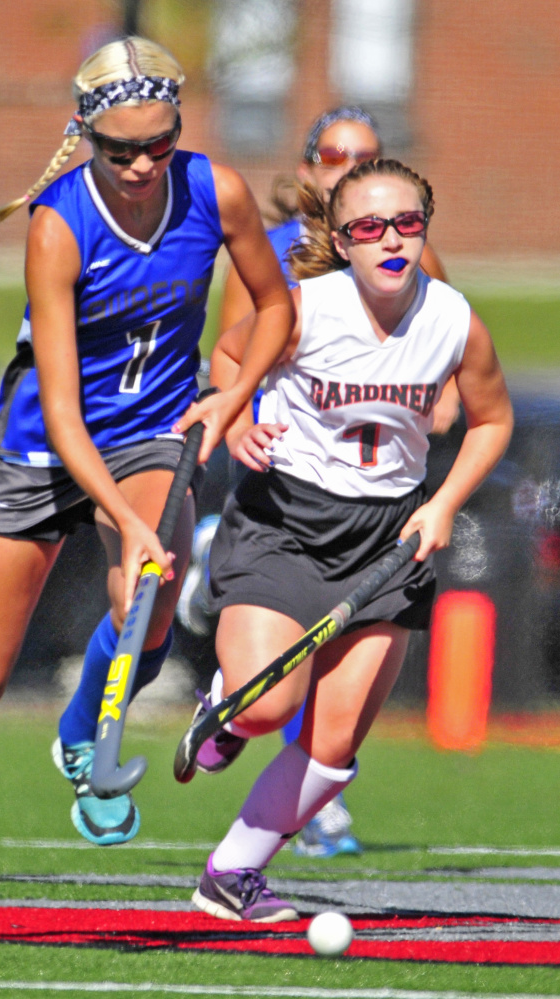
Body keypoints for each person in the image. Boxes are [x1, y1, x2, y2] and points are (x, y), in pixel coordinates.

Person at [0, 35, 294, 942]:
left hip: (152, 434)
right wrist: (127, 518)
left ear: (177, 127)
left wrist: (226, 398)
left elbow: (275, 305)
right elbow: (59, 413)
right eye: (118, 147)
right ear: (84, 134)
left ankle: (86, 731)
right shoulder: (59, 223)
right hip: (42, 452)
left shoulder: (216, 190)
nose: (138, 165)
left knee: (150, 604)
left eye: (157, 143)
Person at [188, 158, 513, 921]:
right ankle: (229, 707)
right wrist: (236, 419)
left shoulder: (453, 319)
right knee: (270, 706)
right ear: (340, 240)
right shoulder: (304, 308)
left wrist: (442, 506)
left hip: (388, 533)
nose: (390, 240)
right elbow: (230, 356)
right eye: (368, 227)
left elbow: (491, 419)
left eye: (406, 223)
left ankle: (230, 873)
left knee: (332, 749)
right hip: (286, 519)